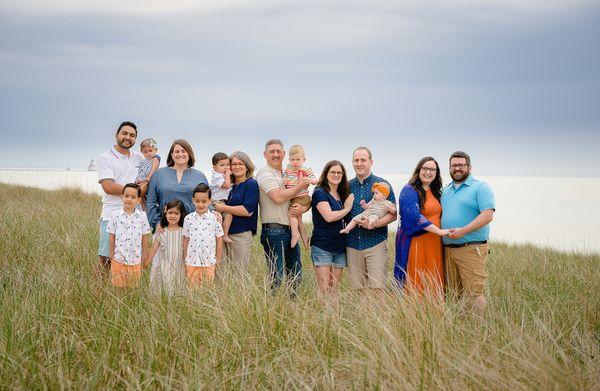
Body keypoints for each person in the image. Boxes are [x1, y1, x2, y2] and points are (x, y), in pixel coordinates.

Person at [441, 151, 495, 315]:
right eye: (454, 165)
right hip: (447, 249)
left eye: (461, 165)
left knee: (474, 294)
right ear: (449, 168)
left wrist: (462, 231)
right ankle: (461, 329)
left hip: (471, 249)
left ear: (469, 167)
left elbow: (487, 215)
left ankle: (478, 330)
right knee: (453, 294)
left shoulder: (481, 187)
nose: (457, 168)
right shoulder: (445, 190)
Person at [256, 139, 310, 294]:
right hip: (274, 230)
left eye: (278, 151)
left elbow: (304, 197)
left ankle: (291, 309)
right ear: (265, 154)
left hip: (290, 230)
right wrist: (300, 185)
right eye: (271, 151)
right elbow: (278, 197)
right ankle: (272, 311)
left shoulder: (287, 173)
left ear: (284, 154)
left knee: (296, 274)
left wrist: (303, 207)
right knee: (277, 277)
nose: (275, 154)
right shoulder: (265, 173)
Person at [96, 121, 145, 279]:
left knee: (131, 257)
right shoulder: (105, 158)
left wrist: (140, 190)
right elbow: (109, 187)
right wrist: (135, 192)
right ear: (117, 135)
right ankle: (97, 291)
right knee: (106, 258)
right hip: (112, 213)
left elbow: (146, 180)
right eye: (124, 133)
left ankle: (122, 292)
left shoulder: (139, 157)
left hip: (135, 215)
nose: (128, 137)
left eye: (132, 135)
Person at [394, 157, 449, 295]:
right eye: (425, 168)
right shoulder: (409, 190)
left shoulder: (436, 192)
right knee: (415, 279)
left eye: (432, 169)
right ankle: (412, 313)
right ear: (419, 170)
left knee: (433, 279)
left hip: (434, 243)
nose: (428, 172)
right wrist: (439, 231)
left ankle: (434, 314)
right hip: (416, 242)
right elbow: (413, 216)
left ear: (436, 173)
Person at [346, 146, 397, 291]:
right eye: (356, 160)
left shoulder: (383, 185)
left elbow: (393, 214)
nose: (359, 163)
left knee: (377, 289)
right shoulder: (347, 186)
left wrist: (374, 224)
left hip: (376, 243)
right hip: (353, 244)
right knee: (356, 290)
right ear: (352, 162)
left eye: (363, 160)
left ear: (371, 162)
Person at [310, 160, 354, 305]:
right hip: (323, 245)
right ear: (326, 174)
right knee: (324, 288)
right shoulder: (320, 193)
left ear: (343, 175)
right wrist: (346, 209)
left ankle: (334, 323)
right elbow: (328, 217)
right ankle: (322, 321)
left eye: (339, 172)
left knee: (334, 288)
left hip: (340, 247)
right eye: (333, 172)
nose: (336, 175)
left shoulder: (342, 194)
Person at [146, 139, 208, 231]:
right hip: (164, 228)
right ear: (172, 155)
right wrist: (157, 222)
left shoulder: (199, 176)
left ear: (189, 154)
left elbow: (206, 200)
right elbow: (151, 202)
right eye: (177, 151)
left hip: (193, 228)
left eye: (183, 151)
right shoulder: (159, 174)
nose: (180, 154)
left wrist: (214, 212)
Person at [213, 151, 259, 274]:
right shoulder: (228, 186)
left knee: (239, 273)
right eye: (233, 164)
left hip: (240, 235)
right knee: (220, 273)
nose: (237, 166)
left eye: (241, 164)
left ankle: (241, 294)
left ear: (247, 166)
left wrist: (222, 208)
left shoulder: (251, 184)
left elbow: (247, 211)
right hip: (221, 234)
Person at [106, 183, 151, 288]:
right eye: (126, 196)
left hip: (135, 260)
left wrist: (145, 255)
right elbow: (111, 236)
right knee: (118, 287)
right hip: (118, 259)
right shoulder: (115, 215)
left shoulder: (142, 216)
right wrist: (112, 255)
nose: (129, 199)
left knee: (133, 288)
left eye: (133, 197)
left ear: (138, 200)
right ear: (122, 197)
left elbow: (144, 237)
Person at [182, 184, 224, 288]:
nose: (200, 204)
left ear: (210, 201)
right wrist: (185, 259)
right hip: (191, 262)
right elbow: (186, 240)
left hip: (208, 262)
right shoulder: (188, 219)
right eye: (197, 201)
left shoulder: (215, 219)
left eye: (204, 201)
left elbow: (219, 240)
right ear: (193, 200)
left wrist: (218, 259)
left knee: (207, 289)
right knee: (191, 290)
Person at [147, 199, 186, 295]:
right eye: (170, 213)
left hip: (180, 266)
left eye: (176, 213)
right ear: (165, 214)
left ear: (181, 215)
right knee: (166, 291)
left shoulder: (184, 231)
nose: (172, 216)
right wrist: (146, 262)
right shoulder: (162, 232)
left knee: (179, 291)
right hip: (165, 267)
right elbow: (153, 249)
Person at [283, 145, 318, 248]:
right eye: (293, 160)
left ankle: (295, 234)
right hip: (293, 198)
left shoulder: (306, 170)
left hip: (302, 198)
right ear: (289, 160)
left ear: (304, 159)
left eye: (298, 159)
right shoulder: (288, 170)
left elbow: (316, 180)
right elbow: (284, 180)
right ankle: (305, 239)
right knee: (299, 221)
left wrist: (310, 180)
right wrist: (284, 180)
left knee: (291, 215)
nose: (295, 162)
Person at [209, 152, 233, 243]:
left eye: (227, 164)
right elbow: (226, 185)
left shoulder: (222, 175)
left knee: (228, 216)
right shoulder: (217, 176)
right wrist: (228, 175)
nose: (226, 167)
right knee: (218, 219)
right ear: (215, 167)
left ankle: (224, 235)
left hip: (222, 202)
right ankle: (221, 236)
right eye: (222, 165)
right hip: (217, 202)